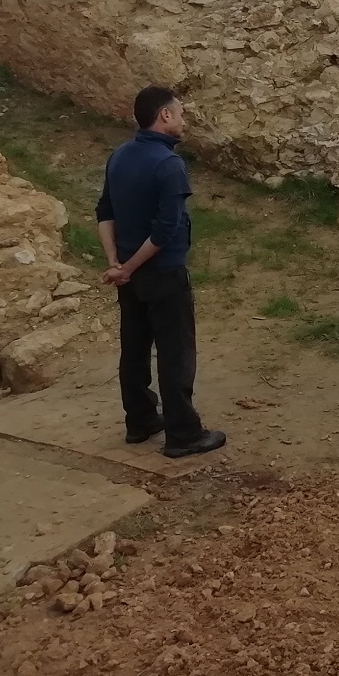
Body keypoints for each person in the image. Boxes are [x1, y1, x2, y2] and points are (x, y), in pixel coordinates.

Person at [95, 86, 226, 459]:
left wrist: (116, 264)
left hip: (129, 277)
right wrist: (131, 266)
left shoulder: (119, 156)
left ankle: (140, 421)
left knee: (134, 349)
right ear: (164, 116)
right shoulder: (169, 165)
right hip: (164, 273)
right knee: (175, 353)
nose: (184, 121)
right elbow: (166, 229)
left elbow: (105, 212)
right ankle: (183, 433)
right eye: (180, 113)